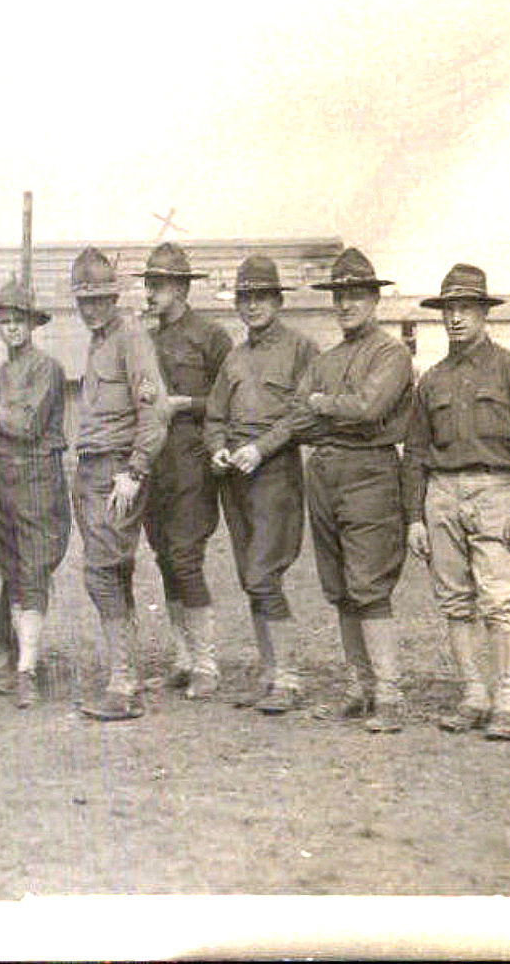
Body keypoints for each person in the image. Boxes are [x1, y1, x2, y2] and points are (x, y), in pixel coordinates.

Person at [404, 264, 510, 741]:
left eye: (466, 308)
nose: (457, 318)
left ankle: (507, 702)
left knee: (500, 603)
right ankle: (473, 695)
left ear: (484, 314)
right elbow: (416, 452)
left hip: (496, 491)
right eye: (449, 309)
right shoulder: (431, 380)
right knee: (454, 602)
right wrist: (414, 518)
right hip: (442, 495)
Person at [291, 248, 418, 733]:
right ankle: (359, 685)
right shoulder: (328, 358)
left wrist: (324, 405)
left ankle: (389, 693)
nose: (346, 304)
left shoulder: (391, 352)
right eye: (340, 296)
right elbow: (299, 414)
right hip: (325, 473)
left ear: (375, 299)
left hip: (370, 474)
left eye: (357, 295)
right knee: (340, 586)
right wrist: (325, 413)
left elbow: (369, 409)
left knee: (368, 584)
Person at [203, 256, 320, 714]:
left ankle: (289, 678)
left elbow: (303, 414)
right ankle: (270, 674)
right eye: (244, 298)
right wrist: (216, 447)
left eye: (261, 297)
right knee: (250, 577)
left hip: (275, 475)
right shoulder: (234, 357)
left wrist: (263, 448)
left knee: (263, 574)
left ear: (277, 300)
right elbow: (215, 417)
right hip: (235, 478)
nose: (252, 306)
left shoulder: (301, 349)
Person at [0, 278, 70, 709]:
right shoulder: (2, 372)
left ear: (31, 325)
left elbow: (26, 426)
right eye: (5, 322)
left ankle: (27, 671)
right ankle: (21, 661)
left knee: (34, 570)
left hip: (37, 476)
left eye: (19, 321)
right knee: (15, 572)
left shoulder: (48, 368)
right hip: (5, 477)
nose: (12, 329)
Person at [67, 247, 170, 721]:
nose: (92, 309)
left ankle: (124, 684)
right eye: (84, 300)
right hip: (90, 468)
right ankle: (124, 673)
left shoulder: (131, 339)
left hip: (115, 470)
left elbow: (154, 411)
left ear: (114, 298)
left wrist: (135, 470)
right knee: (112, 572)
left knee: (102, 572)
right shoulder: (97, 342)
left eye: (100, 299)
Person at [133, 242, 233, 699]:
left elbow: (231, 401)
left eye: (158, 285)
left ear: (181, 287)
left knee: (186, 558)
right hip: (154, 464)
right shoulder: (144, 339)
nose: (151, 293)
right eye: (148, 284)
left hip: (192, 460)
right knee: (165, 558)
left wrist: (183, 405)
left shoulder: (211, 337)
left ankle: (207, 665)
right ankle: (184, 657)